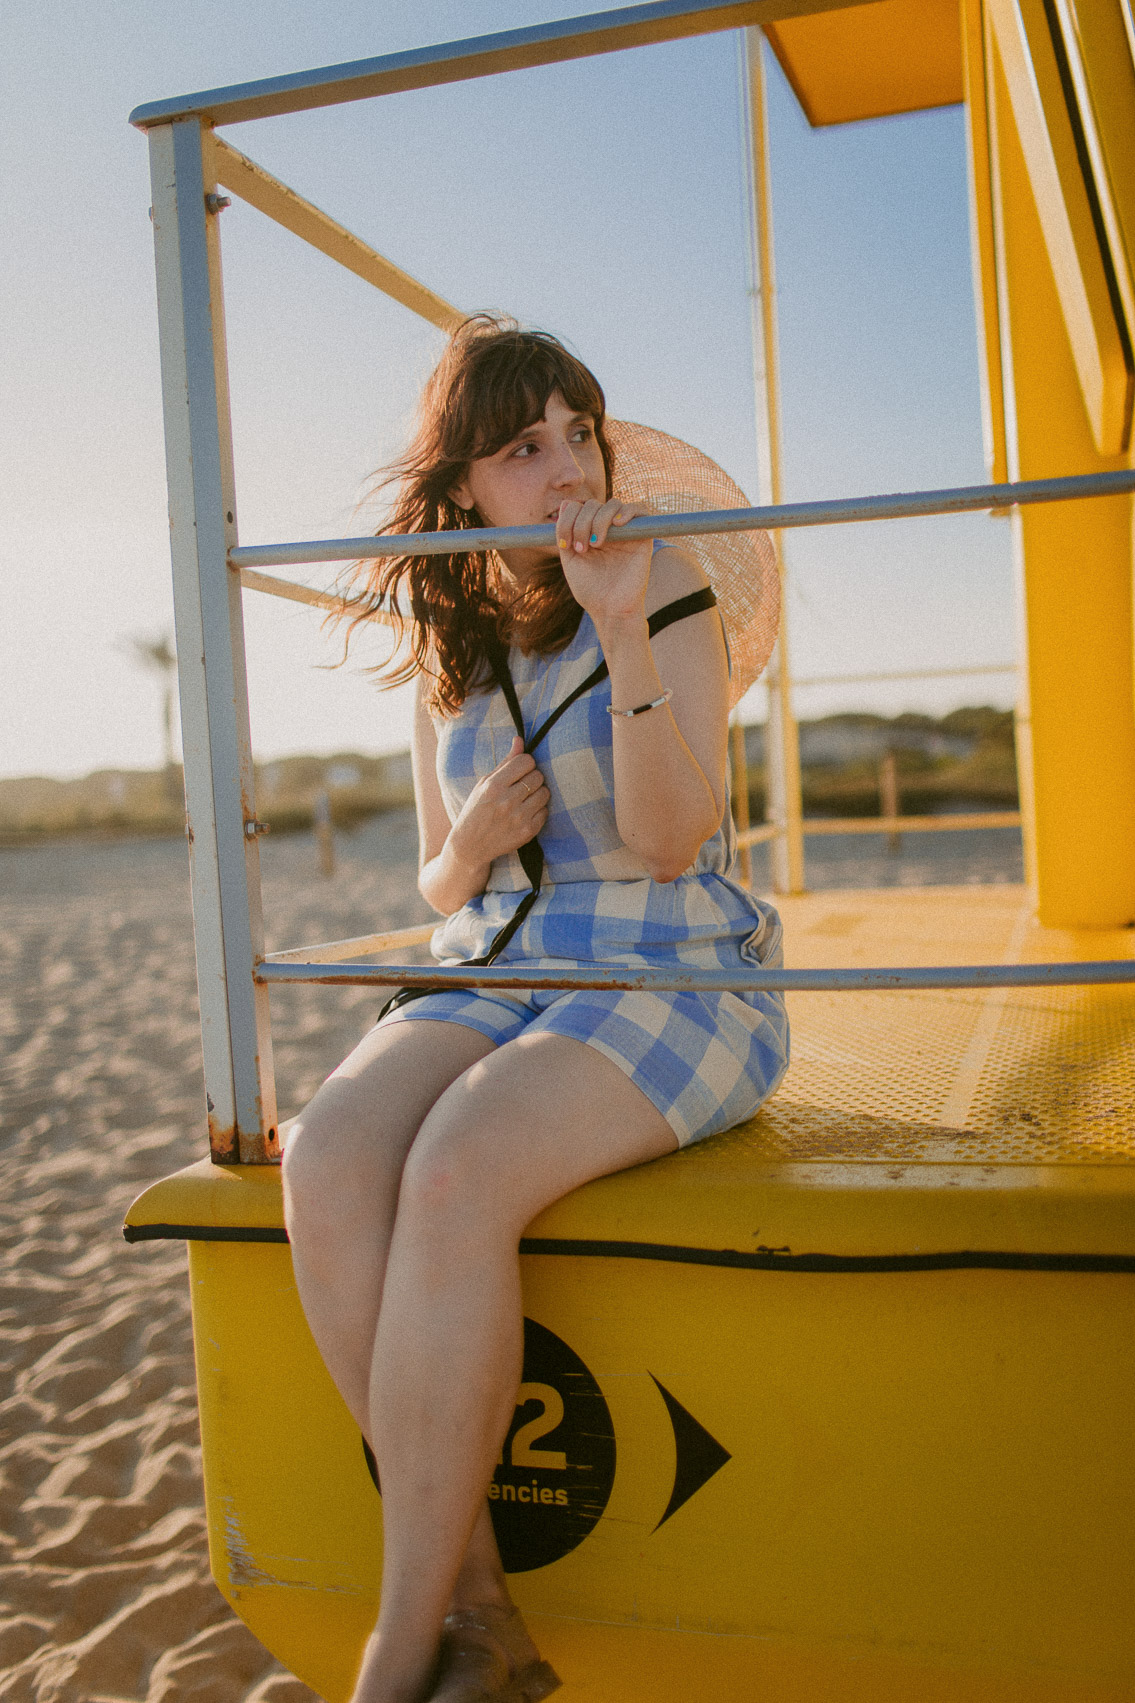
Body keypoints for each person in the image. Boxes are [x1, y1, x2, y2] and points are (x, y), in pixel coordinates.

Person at [281, 315, 789, 1703]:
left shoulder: (659, 581)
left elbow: (676, 838)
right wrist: (480, 828)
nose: (567, 467)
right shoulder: (449, 638)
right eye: (525, 447)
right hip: (493, 958)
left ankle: (398, 1652)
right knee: (326, 1157)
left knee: (456, 1168)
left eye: (580, 432)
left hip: (667, 960)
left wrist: (624, 630)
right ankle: (481, 1613)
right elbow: (442, 870)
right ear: (463, 492)